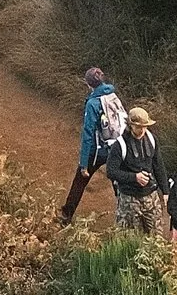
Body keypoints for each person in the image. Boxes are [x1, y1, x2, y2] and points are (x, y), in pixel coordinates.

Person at [61, 66, 128, 223]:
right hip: (117, 147)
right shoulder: (113, 95)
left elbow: (88, 134)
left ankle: (66, 214)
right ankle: (124, 219)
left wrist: (84, 163)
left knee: (80, 181)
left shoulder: (93, 103)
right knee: (118, 184)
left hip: (98, 151)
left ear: (88, 83)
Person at [114, 103, 164, 233]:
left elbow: (158, 165)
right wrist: (134, 177)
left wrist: (165, 192)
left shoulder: (152, 139)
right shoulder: (120, 145)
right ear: (130, 125)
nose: (142, 130)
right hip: (129, 200)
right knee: (129, 239)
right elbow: (111, 171)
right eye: (138, 127)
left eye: (145, 126)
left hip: (151, 197)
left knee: (156, 237)